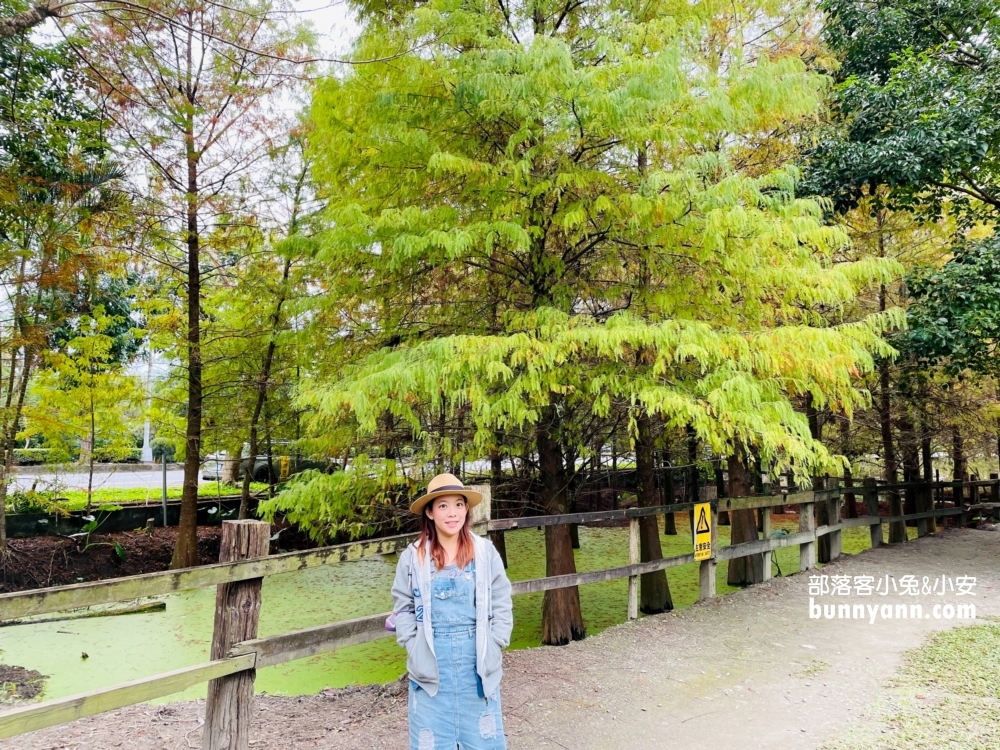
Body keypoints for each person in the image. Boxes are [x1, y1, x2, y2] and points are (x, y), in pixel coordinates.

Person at [390, 472, 513, 750]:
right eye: (443, 505)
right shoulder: (413, 557)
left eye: (458, 504)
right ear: (430, 513)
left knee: (483, 742)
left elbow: (502, 600)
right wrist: (413, 645)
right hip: (432, 665)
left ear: (466, 509)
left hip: (477, 663)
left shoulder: (484, 552)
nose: (452, 513)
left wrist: (496, 642)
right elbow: (404, 606)